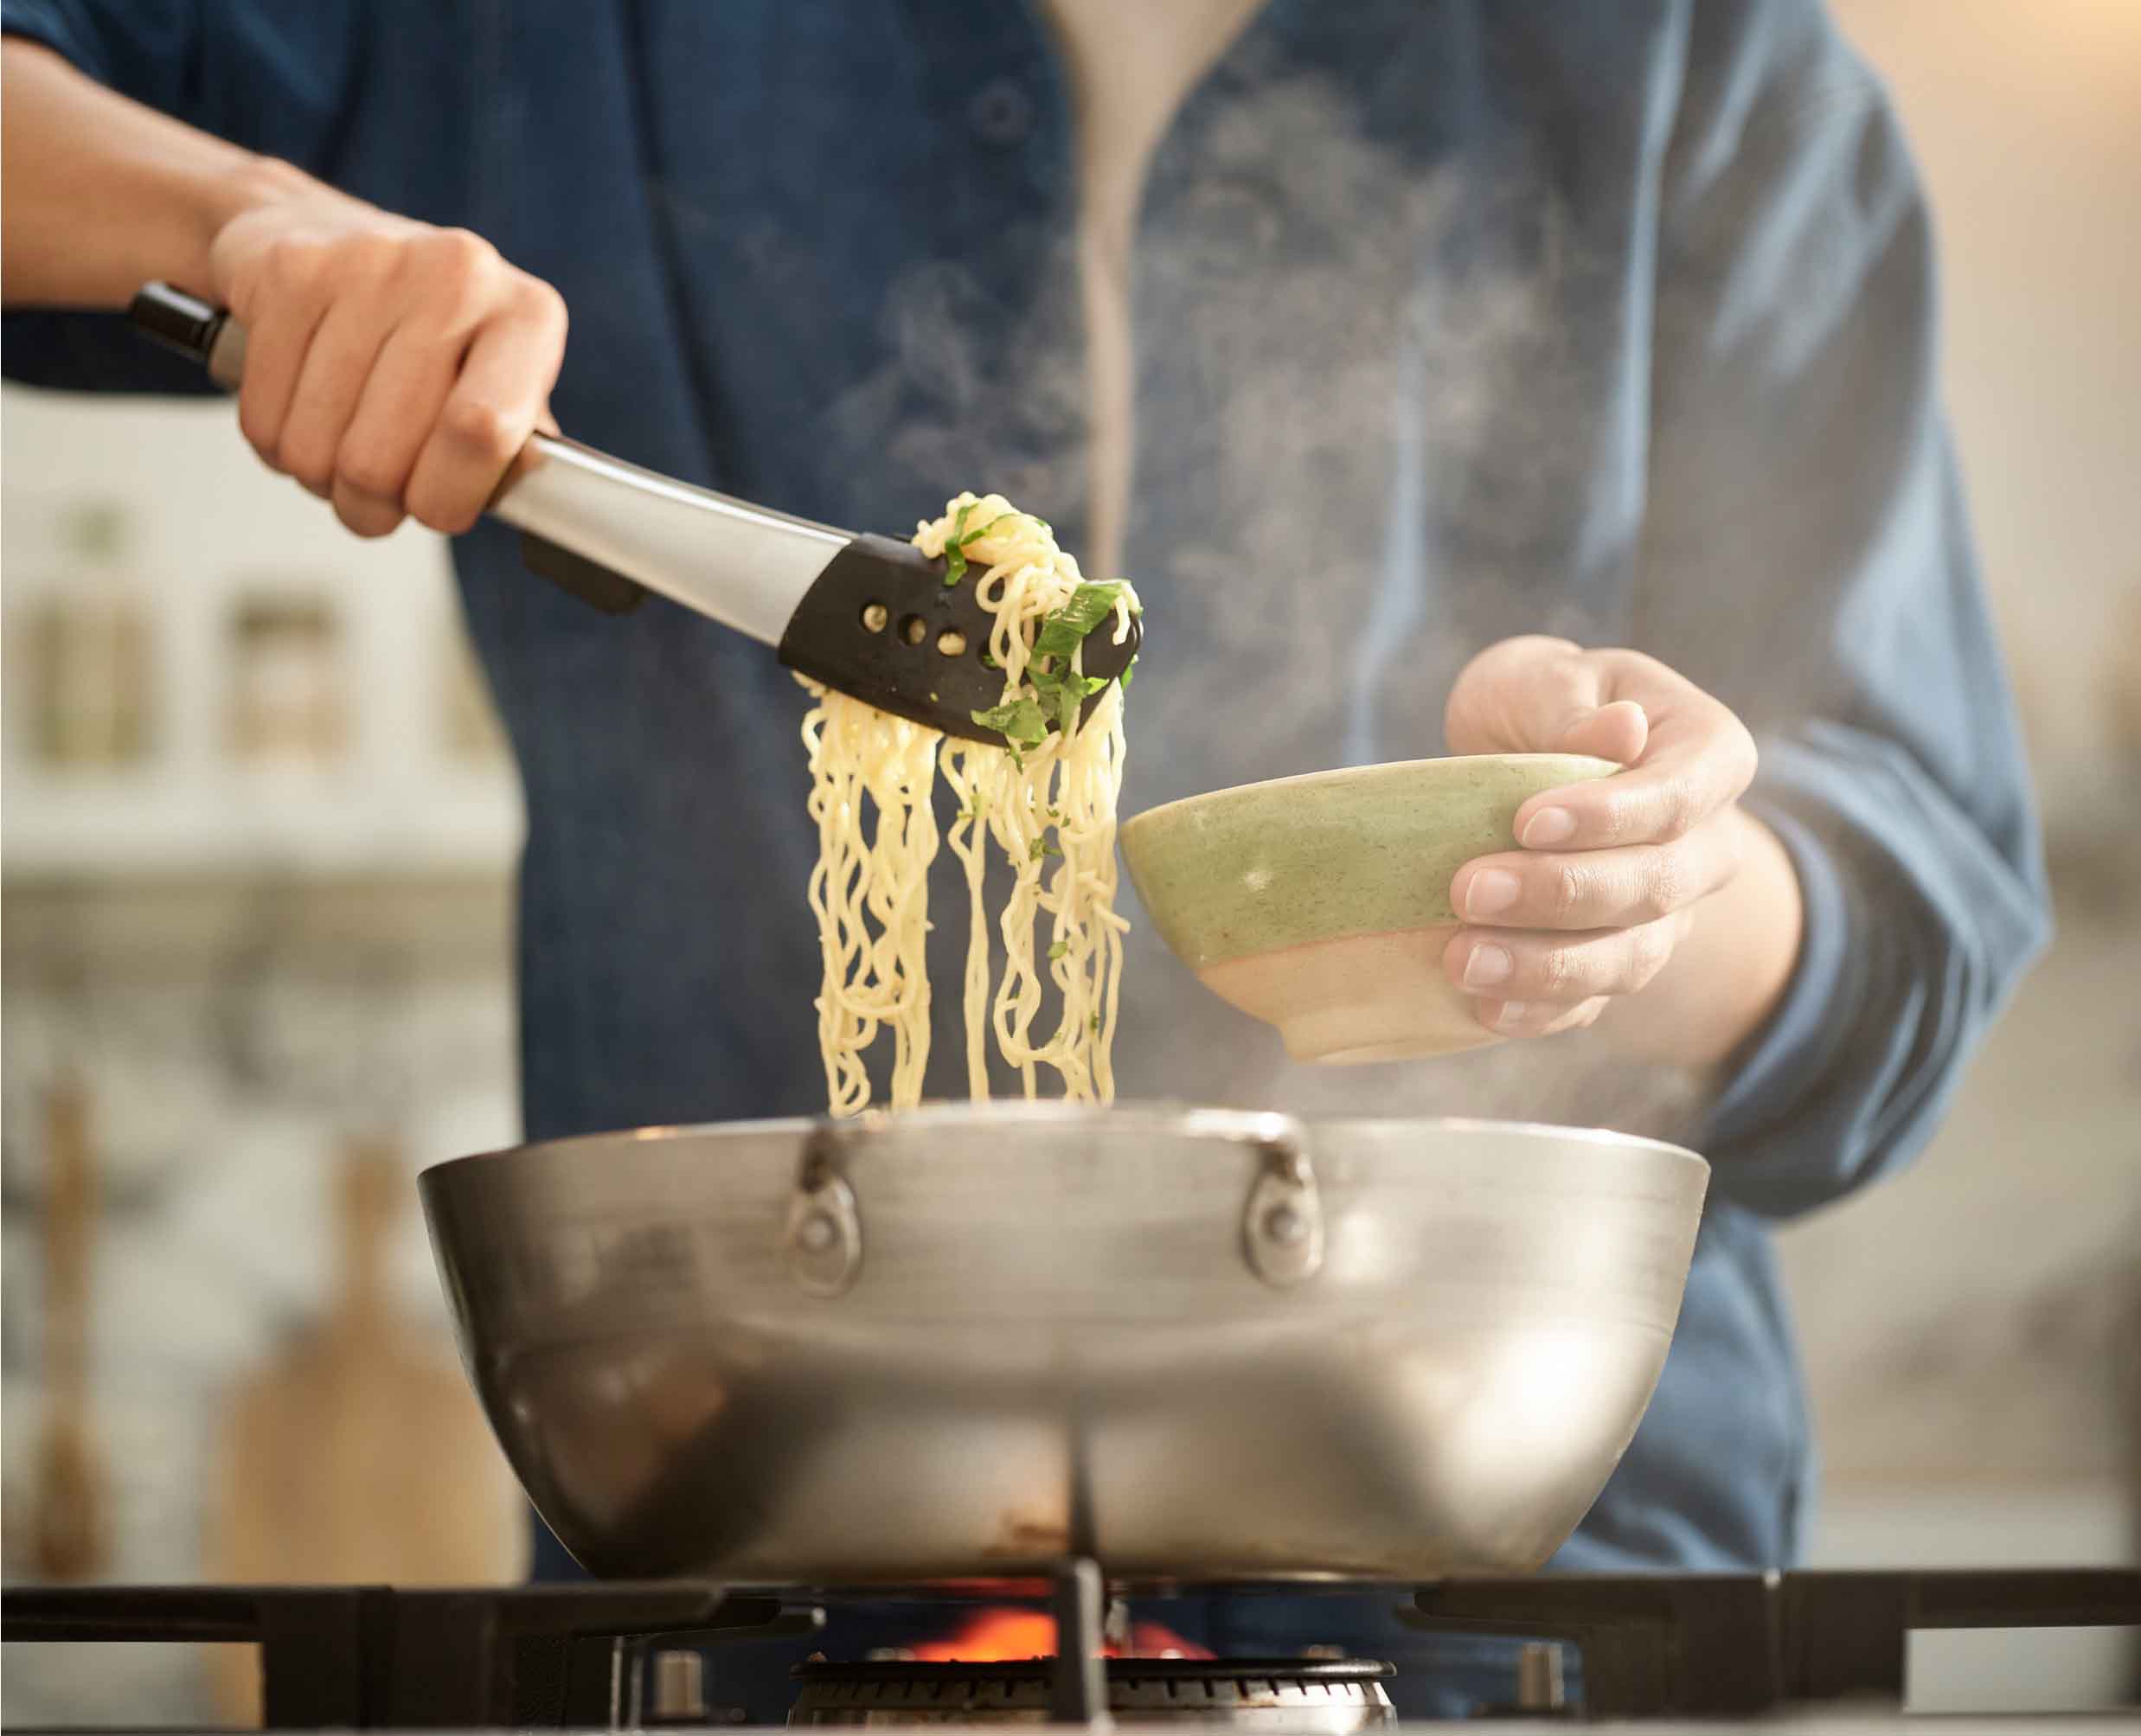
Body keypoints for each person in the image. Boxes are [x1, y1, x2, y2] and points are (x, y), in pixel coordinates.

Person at [1, 0, 2048, 1718]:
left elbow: (1910, 917)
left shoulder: (1690, 56)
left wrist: (1626, 883)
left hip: (1518, 1585)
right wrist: (248, 220)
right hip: (767, 1574)